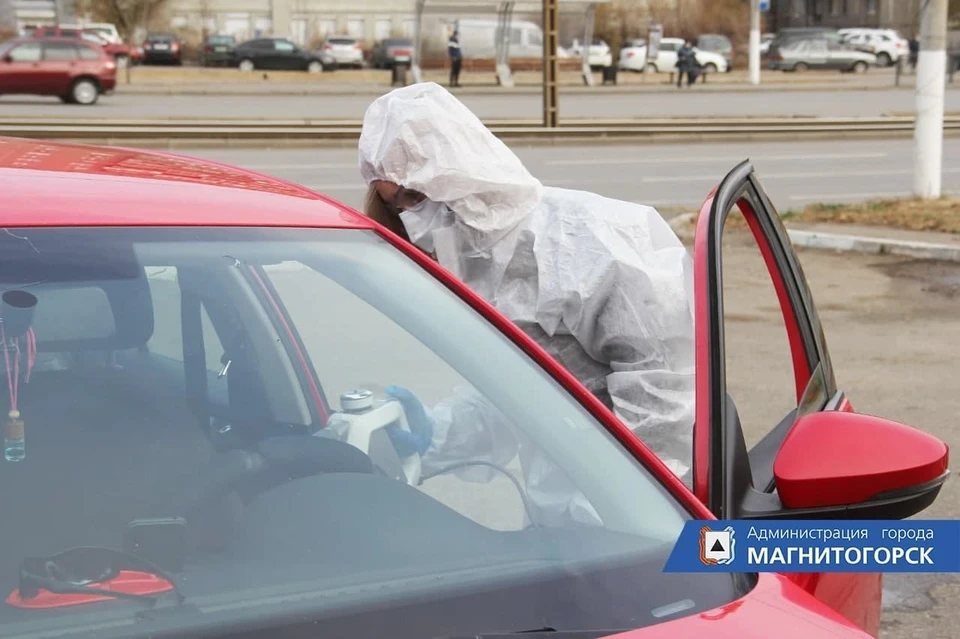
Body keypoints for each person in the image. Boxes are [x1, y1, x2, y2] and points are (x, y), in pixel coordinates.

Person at [358, 82, 695, 525]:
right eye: (395, 204)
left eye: (414, 195)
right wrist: (435, 436)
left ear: (460, 173)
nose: (410, 219)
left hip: (646, 535)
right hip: (558, 531)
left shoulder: (600, 244)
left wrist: (618, 525)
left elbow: (667, 415)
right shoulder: (472, 264)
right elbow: (519, 392)